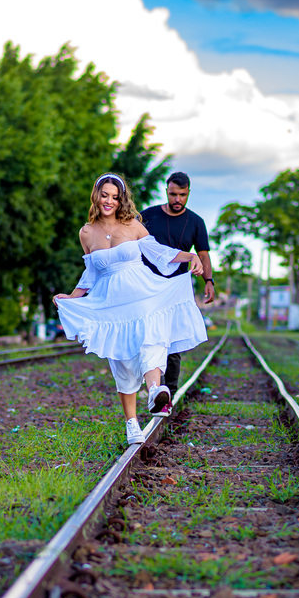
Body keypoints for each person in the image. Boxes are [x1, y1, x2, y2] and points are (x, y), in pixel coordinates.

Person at [53, 173, 208, 445]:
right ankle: (132, 423)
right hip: (111, 303)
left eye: (115, 196)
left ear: (121, 199)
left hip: (142, 294)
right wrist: (72, 297)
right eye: (105, 195)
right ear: (97, 196)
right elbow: (91, 274)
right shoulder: (87, 232)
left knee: (151, 342)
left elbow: (159, 253)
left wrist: (191, 256)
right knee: (122, 361)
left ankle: (154, 391)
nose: (109, 201)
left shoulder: (133, 225)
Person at [141, 171, 214, 404]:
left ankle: (167, 394)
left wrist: (209, 281)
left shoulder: (196, 222)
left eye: (182, 195)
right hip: (148, 286)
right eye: (173, 194)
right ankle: (150, 387)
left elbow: (203, 254)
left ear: (188, 193)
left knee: (173, 341)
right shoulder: (148, 217)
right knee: (149, 337)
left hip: (178, 288)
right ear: (166, 191)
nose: (177, 199)